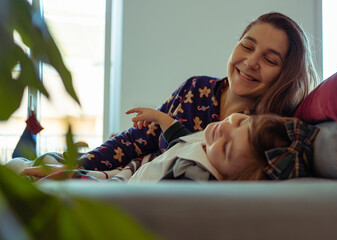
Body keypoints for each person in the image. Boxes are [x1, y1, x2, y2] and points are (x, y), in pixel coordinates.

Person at [20, 11, 319, 178]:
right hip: (126, 167)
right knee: (41, 161)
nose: (251, 62)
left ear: (286, 74)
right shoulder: (196, 89)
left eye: (270, 60)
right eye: (247, 45)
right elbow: (133, 141)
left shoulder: (266, 131)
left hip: (141, 180)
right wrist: (79, 165)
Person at [126, 107, 319, 181]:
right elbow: (183, 138)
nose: (225, 129)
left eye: (227, 147)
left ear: (229, 179)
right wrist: (159, 117)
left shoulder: (194, 175)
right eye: (241, 122)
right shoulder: (209, 142)